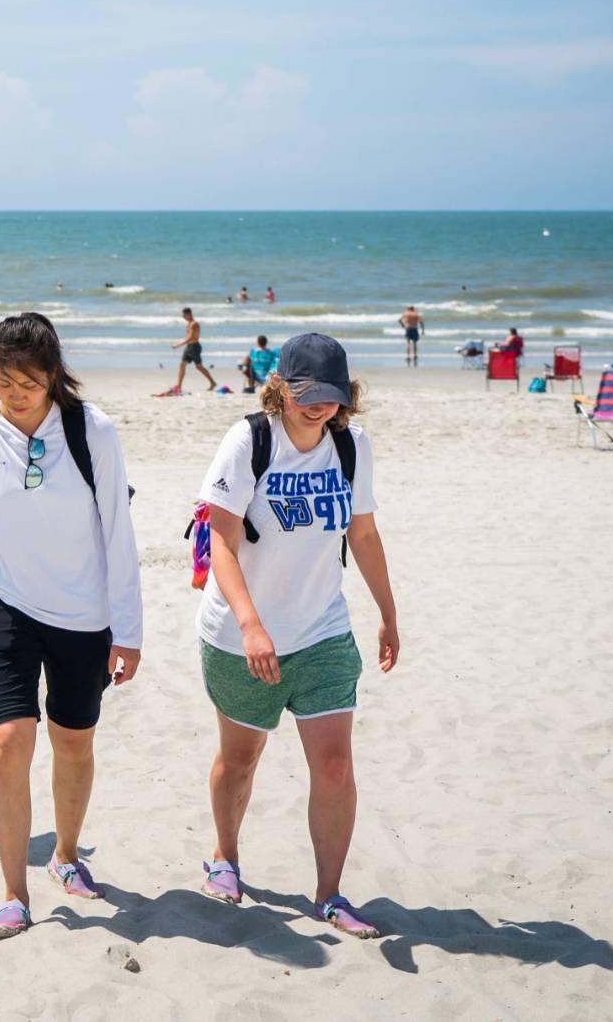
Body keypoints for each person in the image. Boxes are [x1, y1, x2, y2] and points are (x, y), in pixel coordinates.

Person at [0, 313, 143, 941]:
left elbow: (118, 532)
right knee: (7, 741)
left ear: (53, 375)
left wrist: (128, 630)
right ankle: (12, 891)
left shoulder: (92, 431)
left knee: (73, 741)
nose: (16, 394)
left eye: (29, 381)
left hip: (84, 613)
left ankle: (66, 853)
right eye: (4, 381)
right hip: (4, 603)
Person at [192, 333, 400, 941]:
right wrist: (253, 626)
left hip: (323, 631)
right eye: (308, 395)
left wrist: (387, 611)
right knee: (241, 758)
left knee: (334, 764)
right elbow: (223, 542)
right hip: (240, 636)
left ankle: (330, 894)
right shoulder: (249, 441)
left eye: (332, 397)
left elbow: (362, 535)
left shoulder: (351, 447)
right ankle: (224, 857)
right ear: (280, 386)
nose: (320, 408)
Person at [155, 307, 217, 396]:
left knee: (199, 367)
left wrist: (178, 345)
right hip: (189, 347)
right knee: (182, 364)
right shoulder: (189, 324)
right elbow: (188, 337)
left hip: (194, 347)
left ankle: (212, 382)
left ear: (189, 314)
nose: (183, 317)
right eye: (182, 315)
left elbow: (191, 337)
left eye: (184, 315)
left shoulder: (194, 324)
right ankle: (179, 386)